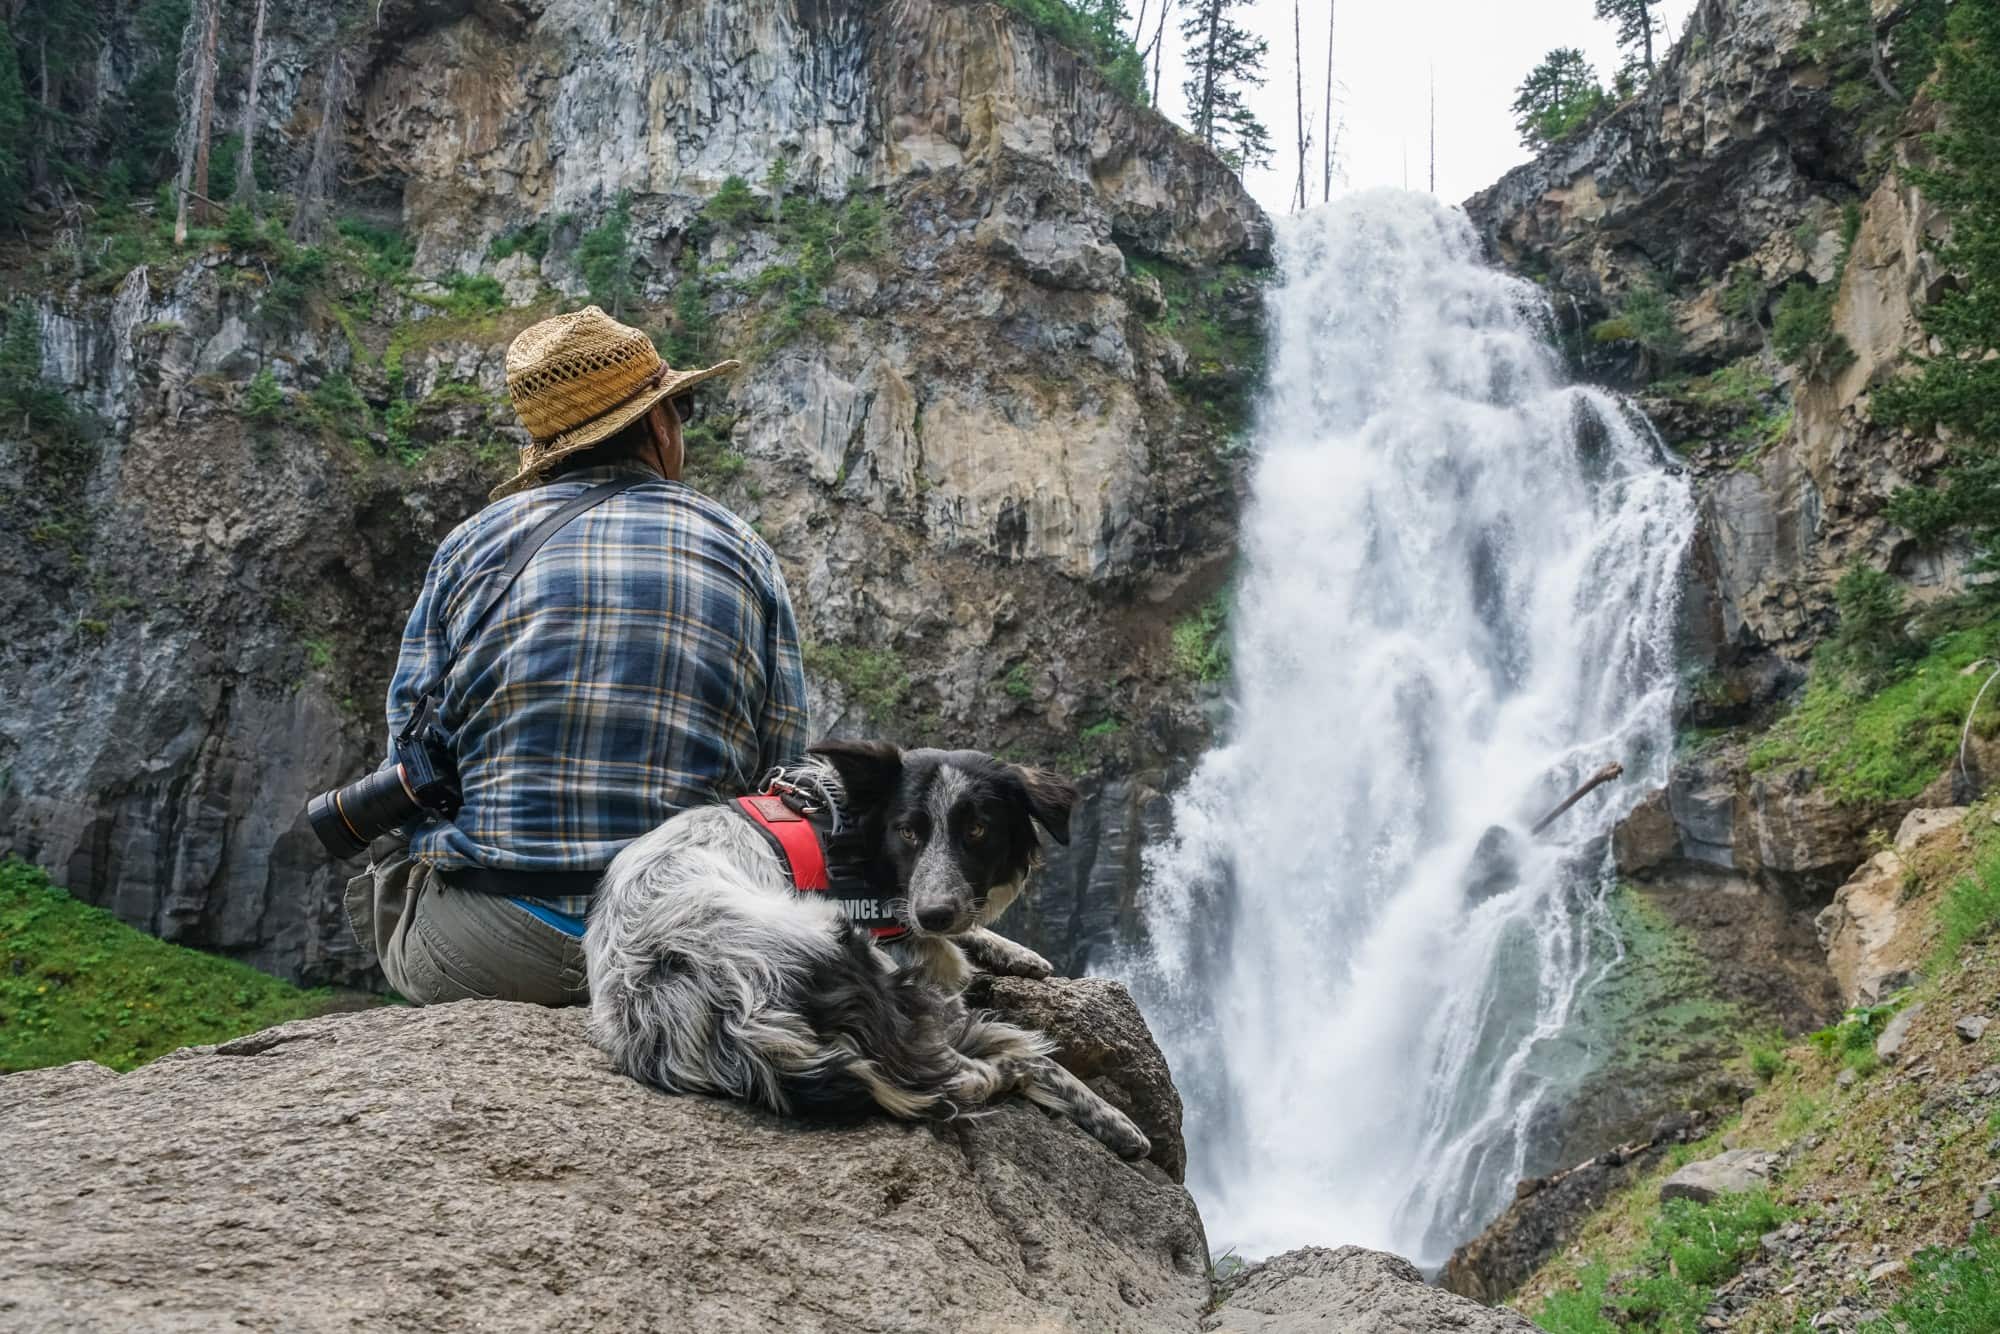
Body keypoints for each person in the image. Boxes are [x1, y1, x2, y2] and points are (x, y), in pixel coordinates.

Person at [344, 306, 809, 1006]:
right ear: (657, 424)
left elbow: (410, 755)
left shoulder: (470, 546)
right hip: (680, 954)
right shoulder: (743, 549)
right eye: (679, 408)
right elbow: (782, 771)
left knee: (386, 836)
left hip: (489, 955)